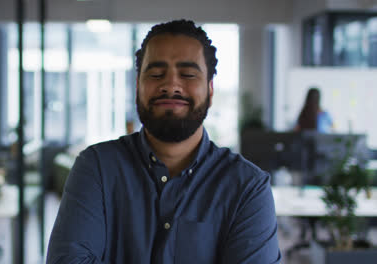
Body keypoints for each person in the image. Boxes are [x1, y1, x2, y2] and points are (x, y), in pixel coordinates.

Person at [46, 19, 281, 263]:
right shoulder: (97, 167)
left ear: (210, 91)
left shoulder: (247, 187)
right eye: (157, 74)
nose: (171, 85)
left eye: (188, 74)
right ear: (138, 87)